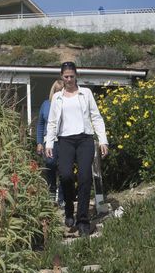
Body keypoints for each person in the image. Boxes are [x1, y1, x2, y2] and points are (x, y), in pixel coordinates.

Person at [45, 61, 108, 236]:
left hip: (84, 139)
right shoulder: (57, 98)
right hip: (65, 140)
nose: (69, 79)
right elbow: (51, 123)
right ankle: (69, 210)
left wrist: (103, 140)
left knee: (85, 177)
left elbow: (96, 117)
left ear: (76, 75)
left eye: (72, 76)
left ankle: (82, 220)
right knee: (65, 175)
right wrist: (49, 143)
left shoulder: (85, 93)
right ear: (61, 77)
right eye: (66, 76)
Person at [36, 79, 64, 206]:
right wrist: (39, 142)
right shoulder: (46, 104)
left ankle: (62, 198)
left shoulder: (66, 104)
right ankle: (52, 192)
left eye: (61, 90)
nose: (59, 92)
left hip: (64, 140)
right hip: (49, 141)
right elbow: (40, 124)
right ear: (53, 91)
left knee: (64, 169)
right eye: (57, 90)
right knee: (50, 164)